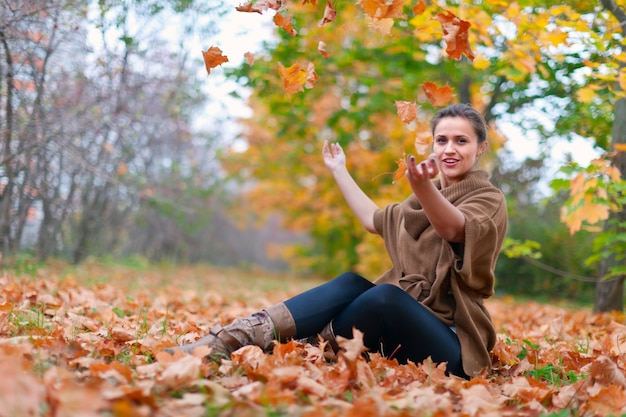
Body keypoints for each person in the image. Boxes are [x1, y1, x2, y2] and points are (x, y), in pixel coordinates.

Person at [168, 103, 508, 378]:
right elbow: (372, 220)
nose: (449, 148)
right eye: (442, 140)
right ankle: (230, 339)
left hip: (452, 346)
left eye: (461, 141)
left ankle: (304, 343)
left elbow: (455, 229)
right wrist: (339, 170)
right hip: (401, 333)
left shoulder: (487, 198)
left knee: (385, 296)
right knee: (352, 283)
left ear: (480, 149)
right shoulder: (420, 200)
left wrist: (422, 188)